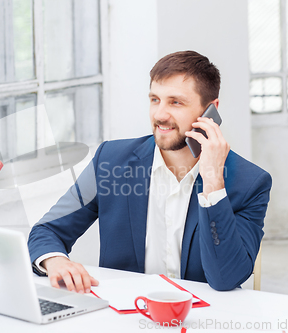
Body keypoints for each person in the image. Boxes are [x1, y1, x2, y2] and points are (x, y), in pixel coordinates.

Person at [27, 50, 272, 293]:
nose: (160, 114)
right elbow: (47, 229)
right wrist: (56, 260)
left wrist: (213, 183)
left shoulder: (249, 183)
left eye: (176, 102)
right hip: (125, 315)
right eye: (155, 99)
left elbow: (226, 277)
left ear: (210, 110)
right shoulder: (111, 161)